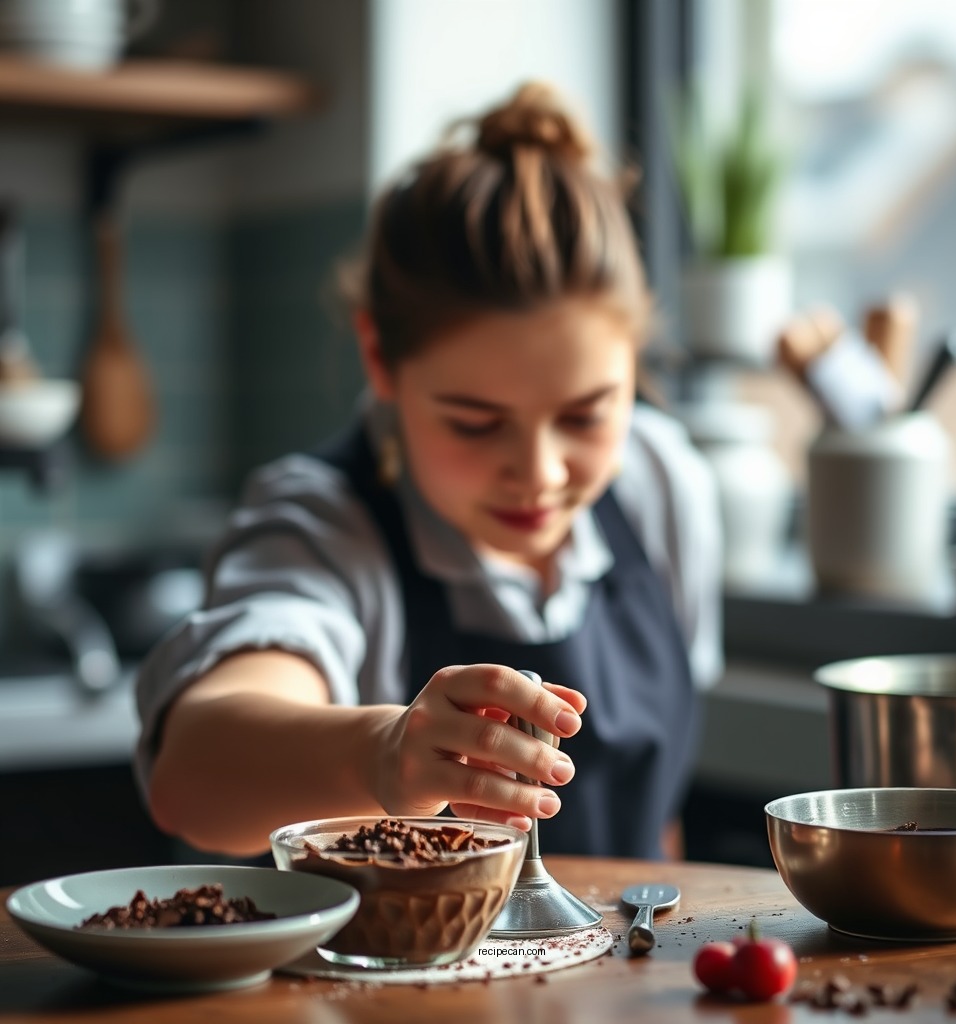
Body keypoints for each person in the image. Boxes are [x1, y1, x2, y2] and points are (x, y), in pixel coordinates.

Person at [135, 81, 722, 862]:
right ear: (380, 358)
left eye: (585, 415)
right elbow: (194, 776)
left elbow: (657, 820)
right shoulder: (322, 523)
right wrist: (385, 753)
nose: (539, 473)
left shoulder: (660, 483)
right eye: (475, 424)